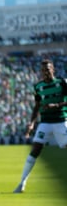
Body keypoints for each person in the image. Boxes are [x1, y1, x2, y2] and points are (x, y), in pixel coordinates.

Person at [13, 59, 67, 193]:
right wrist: (31, 124)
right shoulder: (38, 87)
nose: (45, 72)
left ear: (53, 69)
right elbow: (37, 107)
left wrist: (56, 105)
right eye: (43, 70)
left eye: (47, 70)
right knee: (35, 149)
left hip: (61, 121)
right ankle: (22, 183)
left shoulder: (62, 82)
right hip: (45, 123)